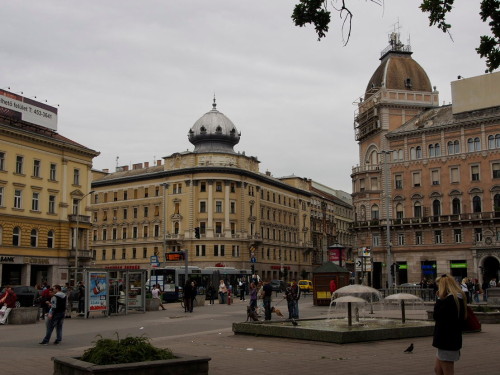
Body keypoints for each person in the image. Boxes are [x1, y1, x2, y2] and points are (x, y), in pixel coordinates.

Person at [432, 274, 467, 375]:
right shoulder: (457, 299)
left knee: (447, 371)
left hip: (446, 340)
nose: (438, 288)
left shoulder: (449, 301)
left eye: (439, 286)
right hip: (449, 339)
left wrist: (439, 299)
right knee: (438, 369)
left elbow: (436, 316)